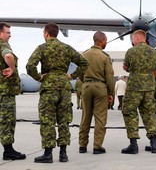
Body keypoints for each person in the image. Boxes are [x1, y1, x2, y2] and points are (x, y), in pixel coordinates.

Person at [26, 22, 88, 163]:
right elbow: (85, 63)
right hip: (64, 87)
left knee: (47, 120)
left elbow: (30, 66)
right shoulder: (66, 48)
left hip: (49, 86)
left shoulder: (42, 48)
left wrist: (38, 77)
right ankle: (63, 153)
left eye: (44, 33)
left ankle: (48, 153)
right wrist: (71, 76)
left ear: (47, 33)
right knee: (63, 120)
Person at [121, 30, 156, 154]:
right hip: (149, 87)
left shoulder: (131, 51)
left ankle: (133, 144)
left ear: (137, 38)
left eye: (133, 39)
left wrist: (128, 68)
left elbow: (126, 67)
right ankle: (154, 143)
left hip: (134, 87)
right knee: (149, 114)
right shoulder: (153, 52)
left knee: (130, 112)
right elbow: (155, 69)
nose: (133, 41)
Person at [78, 31, 114, 155]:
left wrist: (86, 82)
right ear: (102, 40)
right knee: (100, 118)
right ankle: (97, 146)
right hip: (100, 87)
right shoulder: (104, 57)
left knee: (85, 116)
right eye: (106, 40)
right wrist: (110, 93)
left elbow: (79, 73)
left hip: (86, 86)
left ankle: (82, 145)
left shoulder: (84, 55)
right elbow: (109, 77)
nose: (106, 43)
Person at [0, 22, 26, 160]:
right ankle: (8, 151)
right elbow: (8, 56)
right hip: (5, 92)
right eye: (8, 32)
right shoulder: (3, 45)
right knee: (7, 121)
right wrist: (12, 67)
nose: (10, 35)